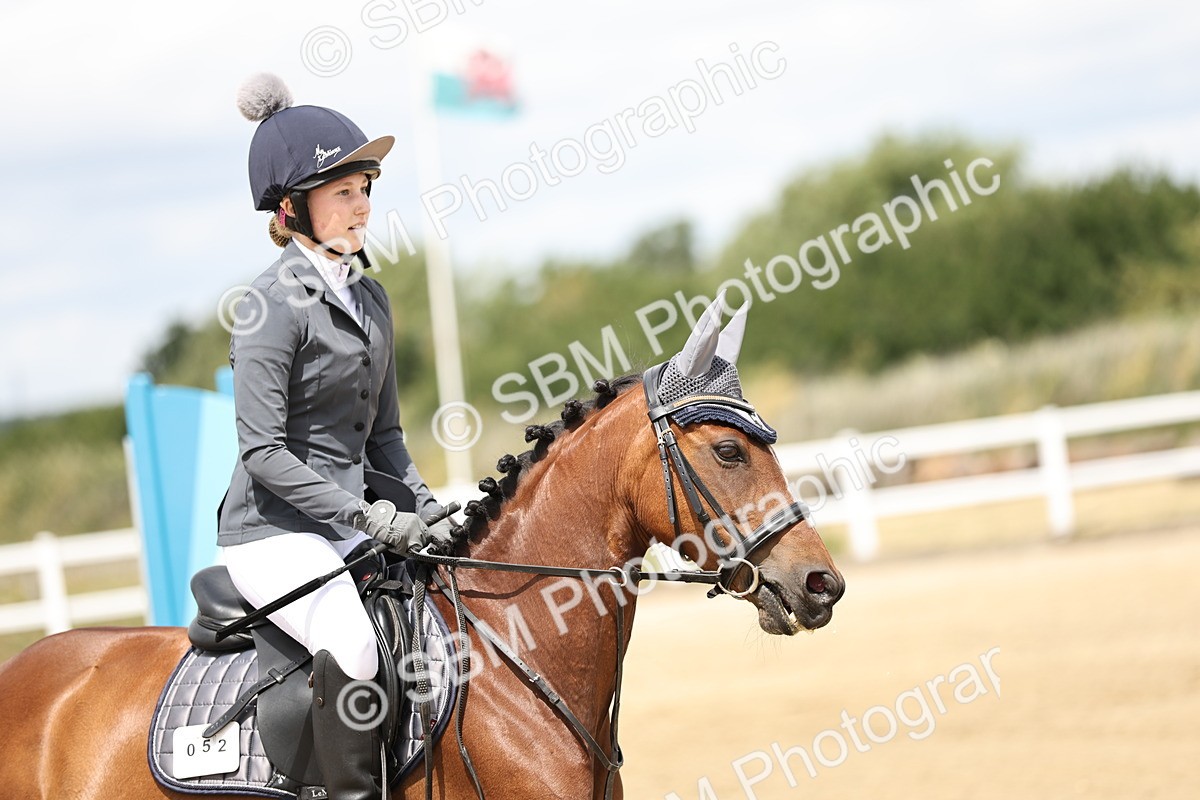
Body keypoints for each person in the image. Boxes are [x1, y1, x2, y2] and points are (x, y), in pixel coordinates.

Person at [217, 73, 451, 800]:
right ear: (293, 209)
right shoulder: (268, 305)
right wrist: (367, 515)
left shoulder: (371, 297)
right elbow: (262, 451)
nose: (363, 206)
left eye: (366, 188)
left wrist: (428, 505)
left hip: (351, 527)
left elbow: (384, 436)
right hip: (274, 534)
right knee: (352, 643)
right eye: (344, 191)